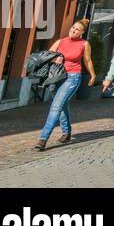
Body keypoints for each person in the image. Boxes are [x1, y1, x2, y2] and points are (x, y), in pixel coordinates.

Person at [34, 19, 96, 150]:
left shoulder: (84, 44)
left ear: (82, 32)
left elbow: (88, 60)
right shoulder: (60, 41)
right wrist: (55, 58)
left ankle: (43, 139)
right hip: (56, 77)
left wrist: (93, 74)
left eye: (77, 29)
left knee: (56, 106)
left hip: (72, 77)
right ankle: (66, 132)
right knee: (62, 104)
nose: (73, 30)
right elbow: (46, 56)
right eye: (73, 28)